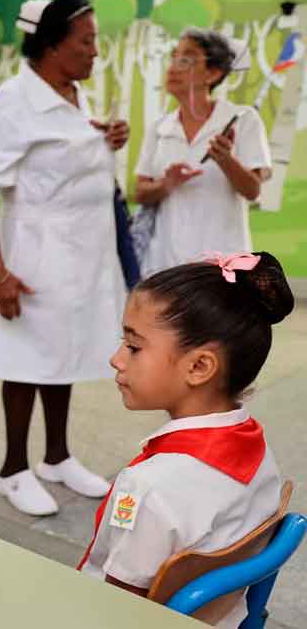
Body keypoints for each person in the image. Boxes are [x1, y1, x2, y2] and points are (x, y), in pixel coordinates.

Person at [0, 0, 129, 516]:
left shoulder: (75, 93)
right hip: (36, 253)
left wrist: (108, 137)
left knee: (66, 352)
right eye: (86, 41)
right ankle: (13, 469)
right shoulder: (13, 102)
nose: (95, 52)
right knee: (27, 358)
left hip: (85, 251)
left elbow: (66, 153)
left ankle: (56, 456)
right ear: (53, 43)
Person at [79, 252, 292, 628]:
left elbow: (115, 609)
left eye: (133, 346)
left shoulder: (149, 488)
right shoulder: (256, 450)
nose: (116, 359)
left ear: (198, 367)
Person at [134, 28, 271, 275]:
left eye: (186, 59)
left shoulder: (243, 119)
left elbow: (253, 190)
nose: (174, 67)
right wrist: (167, 184)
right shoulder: (159, 128)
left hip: (222, 267)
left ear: (213, 73)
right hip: (165, 266)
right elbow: (140, 193)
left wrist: (225, 159)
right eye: (174, 57)